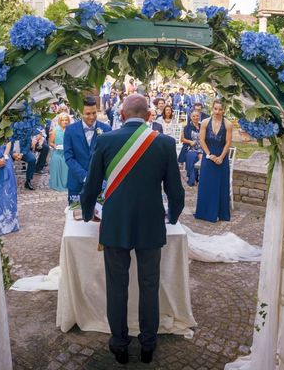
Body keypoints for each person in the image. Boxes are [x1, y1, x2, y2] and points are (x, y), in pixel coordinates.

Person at [80, 94, 185, 365]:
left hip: (115, 225)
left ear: (122, 115)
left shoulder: (105, 140)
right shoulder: (164, 143)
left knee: (117, 287)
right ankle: (149, 344)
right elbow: (176, 191)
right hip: (151, 225)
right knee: (150, 286)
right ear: (150, 116)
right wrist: (172, 217)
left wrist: (86, 212)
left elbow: (90, 187)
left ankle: (120, 344)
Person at [63, 96, 112, 204]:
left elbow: (109, 157)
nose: (92, 117)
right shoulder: (70, 130)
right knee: (75, 216)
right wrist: (85, 177)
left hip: (101, 184)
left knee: (99, 218)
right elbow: (68, 157)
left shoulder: (106, 129)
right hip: (77, 184)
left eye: (94, 113)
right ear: (80, 113)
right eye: (87, 114)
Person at [194, 100, 233, 222]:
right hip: (208, 157)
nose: (217, 111)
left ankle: (220, 213)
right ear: (212, 108)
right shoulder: (205, 122)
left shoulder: (228, 124)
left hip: (222, 158)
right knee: (206, 184)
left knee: (221, 185)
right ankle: (204, 213)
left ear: (223, 110)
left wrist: (221, 157)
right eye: (215, 109)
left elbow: (228, 143)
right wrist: (209, 155)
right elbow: (202, 140)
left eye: (220, 109)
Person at [0, 141, 19, 235]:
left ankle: (9, 222)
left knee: (9, 189)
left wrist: (4, 157)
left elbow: (9, 141)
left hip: (5, 158)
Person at [178, 111, 203, 186]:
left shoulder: (203, 126)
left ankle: (201, 179)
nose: (196, 118)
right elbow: (182, 139)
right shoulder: (186, 127)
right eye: (194, 116)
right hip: (190, 148)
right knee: (191, 157)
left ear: (199, 116)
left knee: (202, 159)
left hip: (202, 148)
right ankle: (192, 179)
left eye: (197, 116)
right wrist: (190, 141)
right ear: (191, 117)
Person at [48, 113, 70, 192]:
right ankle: (56, 183)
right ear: (60, 121)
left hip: (67, 152)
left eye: (66, 120)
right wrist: (55, 145)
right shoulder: (55, 130)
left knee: (67, 161)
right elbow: (50, 143)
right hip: (57, 151)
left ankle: (66, 183)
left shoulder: (70, 130)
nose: (65, 122)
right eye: (63, 120)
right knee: (56, 159)